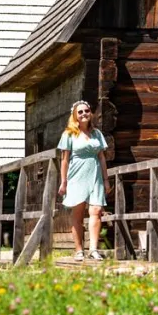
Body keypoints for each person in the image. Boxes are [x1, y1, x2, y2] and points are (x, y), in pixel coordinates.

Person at [57, 100, 111, 261]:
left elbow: (102, 157)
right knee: (78, 214)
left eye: (86, 111)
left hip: (95, 175)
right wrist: (64, 181)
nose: (84, 114)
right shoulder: (69, 134)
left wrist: (106, 180)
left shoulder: (97, 134)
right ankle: (79, 250)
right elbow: (64, 160)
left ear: (90, 113)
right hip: (77, 175)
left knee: (96, 210)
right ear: (75, 115)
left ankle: (93, 249)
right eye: (80, 112)